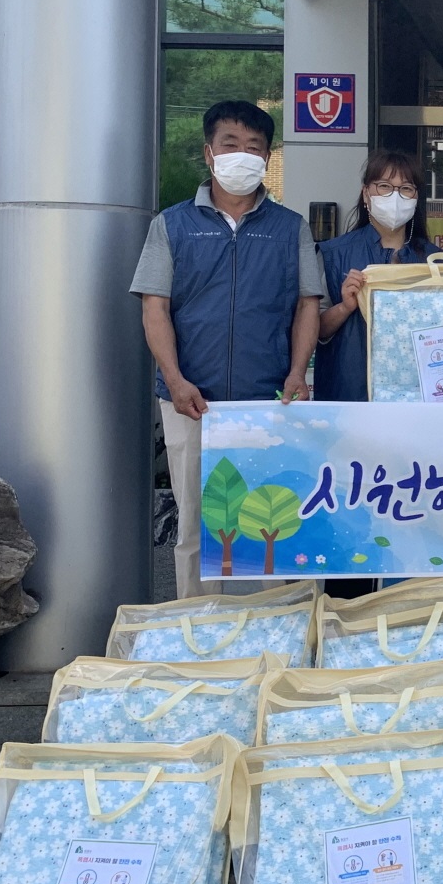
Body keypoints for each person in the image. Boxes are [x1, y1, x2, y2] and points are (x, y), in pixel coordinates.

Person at [132, 99, 324, 599]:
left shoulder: (290, 227)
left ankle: (280, 625)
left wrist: (298, 373)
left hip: (270, 399)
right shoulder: (172, 224)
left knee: (276, 517)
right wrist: (176, 380)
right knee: (196, 523)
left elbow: (307, 305)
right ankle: (198, 627)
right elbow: (155, 308)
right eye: (230, 144)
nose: (243, 154)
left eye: (254, 147)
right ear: (209, 152)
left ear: (268, 158)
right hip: (192, 400)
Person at [314, 150, 430, 403]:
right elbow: (314, 329)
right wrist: (345, 307)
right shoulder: (333, 254)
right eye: (384, 186)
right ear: (366, 193)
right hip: (349, 394)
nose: (395, 197)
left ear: (416, 198)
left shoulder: (436, 261)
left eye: (406, 189)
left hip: (416, 396)